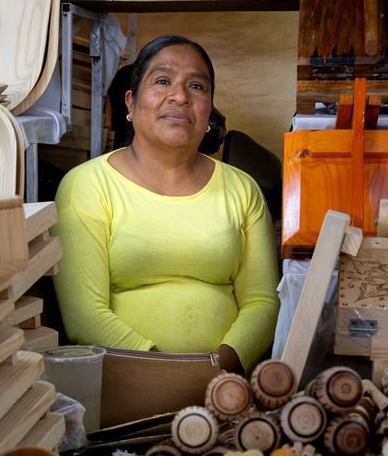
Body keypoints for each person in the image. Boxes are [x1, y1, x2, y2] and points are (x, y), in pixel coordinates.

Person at [53, 35, 280, 373]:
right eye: (162, 81)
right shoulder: (87, 186)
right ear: (130, 103)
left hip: (224, 387)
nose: (180, 96)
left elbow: (263, 302)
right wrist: (168, 376)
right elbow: (84, 316)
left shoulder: (242, 189)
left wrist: (216, 372)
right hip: (123, 384)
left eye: (197, 87)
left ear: (209, 111)